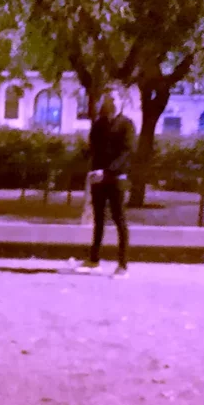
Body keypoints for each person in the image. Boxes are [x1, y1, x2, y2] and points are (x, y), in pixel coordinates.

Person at [83, 85, 133, 277]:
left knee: (120, 220)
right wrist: (93, 171)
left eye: (113, 99)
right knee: (99, 220)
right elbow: (93, 150)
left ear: (120, 102)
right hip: (99, 179)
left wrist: (107, 171)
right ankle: (94, 260)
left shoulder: (126, 125)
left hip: (116, 180)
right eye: (107, 99)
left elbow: (126, 153)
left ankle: (123, 265)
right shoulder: (98, 124)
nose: (110, 103)